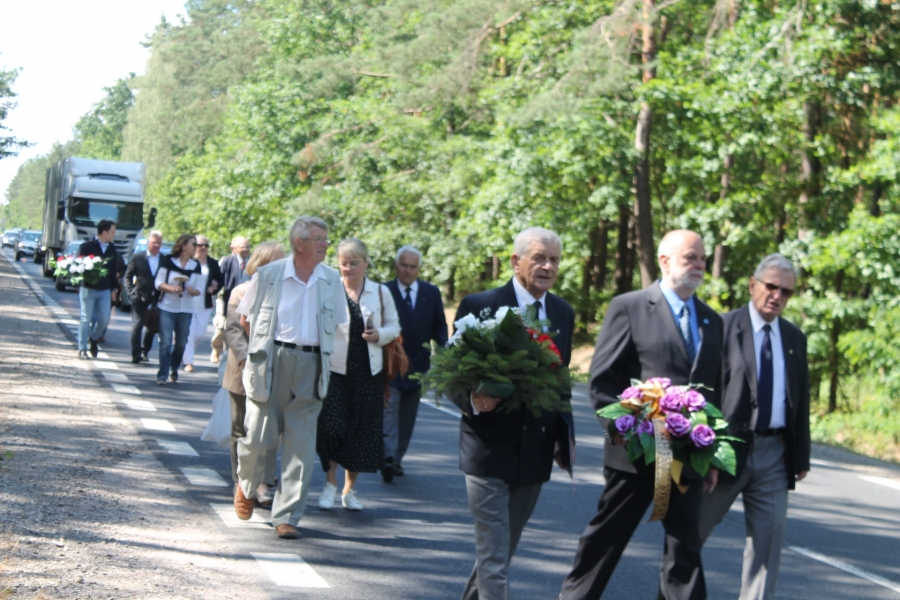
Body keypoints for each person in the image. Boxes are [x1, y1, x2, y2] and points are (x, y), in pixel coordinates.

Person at [559, 230, 723, 600]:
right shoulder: (630, 306)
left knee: (685, 549)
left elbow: (716, 389)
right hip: (636, 452)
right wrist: (620, 429)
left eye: (702, 258)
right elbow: (603, 380)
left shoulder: (712, 321)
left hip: (687, 456)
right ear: (665, 261)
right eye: (690, 258)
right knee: (607, 538)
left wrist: (711, 452)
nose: (699, 265)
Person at [447, 227, 574, 600]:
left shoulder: (563, 313)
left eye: (554, 260)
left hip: (534, 450)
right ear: (517, 261)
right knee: (494, 552)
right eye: (539, 258)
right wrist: (473, 398)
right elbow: (450, 371)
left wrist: (563, 439)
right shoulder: (479, 305)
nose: (548, 266)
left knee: (501, 551)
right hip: (486, 446)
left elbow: (561, 381)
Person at [698, 254, 811, 600]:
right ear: (752, 285)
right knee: (690, 535)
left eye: (786, 291)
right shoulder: (721, 327)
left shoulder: (794, 338)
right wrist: (706, 452)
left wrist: (801, 456)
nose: (777, 296)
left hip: (774, 454)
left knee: (767, 550)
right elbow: (702, 393)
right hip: (725, 450)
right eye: (771, 286)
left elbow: (800, 399)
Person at [232, 216, 345, 540]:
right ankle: (246, 484)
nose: (325, 244)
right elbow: (245, 319)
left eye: (325, 239)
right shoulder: (269, 274)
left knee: (301, 447)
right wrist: (261, 354)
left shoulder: (331, 279)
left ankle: (287, 516)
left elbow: (338, 327)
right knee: (257, 436)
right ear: (299, 243)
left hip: (312, 363)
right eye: (319, 239)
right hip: (273, 359)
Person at [316, 238, 401, 511]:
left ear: (365, 263)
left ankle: (349, 490)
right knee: (332, 427)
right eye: (343, 263)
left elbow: (395, 327)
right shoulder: (330, 289)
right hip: (335, 370)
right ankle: (330, 484)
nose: (348, 268)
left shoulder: (380, 292)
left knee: (360, 432)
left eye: (354, 263)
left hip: (368, 372)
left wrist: (380, 334)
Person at [223, 241, 285, 501]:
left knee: (268, 430)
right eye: (279, 261)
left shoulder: (285, 295)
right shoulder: (241, 291)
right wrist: (245, 359)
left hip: (274, 370)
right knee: (241, 428)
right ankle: (241, 481)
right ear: (263, 264)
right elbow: (233, 330)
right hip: (243, 369)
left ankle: (262, 484)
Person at [381, 245, 448, 482]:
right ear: (396, 265)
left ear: (419, 269)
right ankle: (387, 458)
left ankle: (397, 459)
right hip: (390, 364)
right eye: (404, 265)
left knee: (407, 416)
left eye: (412, 266)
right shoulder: (384, 291)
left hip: (418, 366)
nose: (407, 270)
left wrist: (445, 355)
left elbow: (439, 327)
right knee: (389, 411)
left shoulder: (431, 292)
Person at [154, 234, 202, 386]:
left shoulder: (195, 266)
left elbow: (200, 288)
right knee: (166, 342)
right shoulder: (168, 261)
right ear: (183, 246)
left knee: (181, 343)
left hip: (186, 309)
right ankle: (162, 374)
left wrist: (193, 290)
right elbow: (158, 282)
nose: (196, 248)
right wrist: (172, 288)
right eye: (193, 244)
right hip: (167, 307)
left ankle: (173, 368)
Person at [77, 220, 119, 360]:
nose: (114, 234)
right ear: (104, 232)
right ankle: (82, 349)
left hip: (105, 290)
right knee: (86, 318)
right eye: (112, 232)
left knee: (104, 318)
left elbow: (113, 270)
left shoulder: (112, 249)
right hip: (88, 288)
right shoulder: (87, 246)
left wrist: (114, 289)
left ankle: (94, 338)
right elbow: (79, 266)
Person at [183, 235, 224, 372]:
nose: (203, 248)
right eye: (200, 245)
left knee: (200, 334)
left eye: (206, 245)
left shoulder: (212, 263)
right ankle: (188, 361)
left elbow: (220, 279)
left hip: (204, 302)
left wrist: (214, 288)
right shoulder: (188, 262)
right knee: (190, 333)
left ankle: (182, 349)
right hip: (188, 301)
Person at [125, 231, 164, 364]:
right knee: (137, 325)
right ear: (148, 243)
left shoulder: (164, 259)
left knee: (152, 326)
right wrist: (130, 292)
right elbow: (128, 275)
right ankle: (135, 354)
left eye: (159, 243)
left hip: (156, 297)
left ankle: (145, 350)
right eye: (154, 242)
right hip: (139, 296)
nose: (156, 245)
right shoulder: (138, 257)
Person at [211, 236, 251, 363]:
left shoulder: (252, 262)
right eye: (243, 247)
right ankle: (217, 348)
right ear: (234, 248)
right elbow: (219, 279)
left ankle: (230, 356)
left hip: (245, 301)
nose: (246, 249)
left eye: (248, 247)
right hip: (226, 300)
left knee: (237, 329)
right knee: (221, 327)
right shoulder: (227, 261)